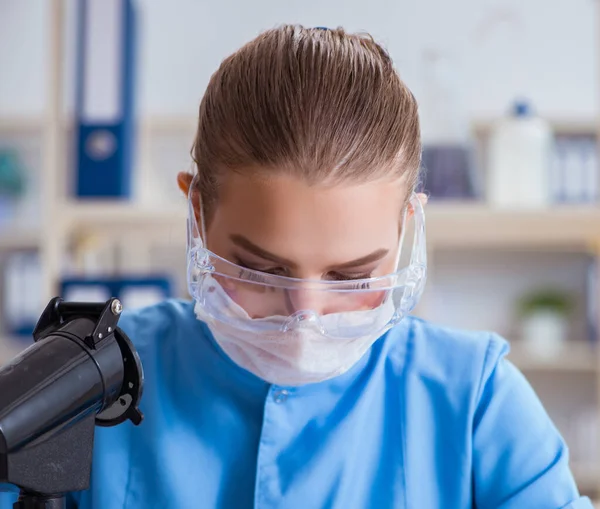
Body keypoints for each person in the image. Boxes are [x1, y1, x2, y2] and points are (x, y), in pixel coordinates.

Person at [0, 25, 593, 509]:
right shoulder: (88, 383)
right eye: (260, 271)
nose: (305, 318)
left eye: (352, 276)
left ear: (407, 226)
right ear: (198, 211)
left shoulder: (476, 403)